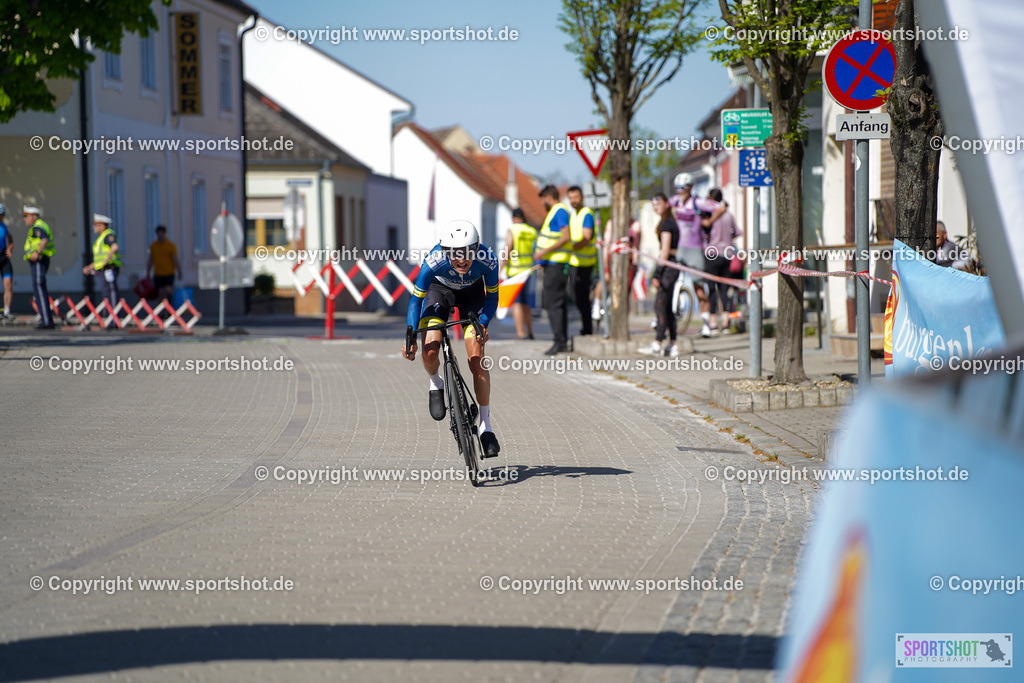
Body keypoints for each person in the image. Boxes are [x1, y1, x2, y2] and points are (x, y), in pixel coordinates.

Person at [402, 219, 501, 457]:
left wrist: (483, 324)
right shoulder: (433, 262)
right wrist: (410, 336)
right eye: (454, 254)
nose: (462, 259)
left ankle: (485, 426)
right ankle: (436, 382)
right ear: (445, 252)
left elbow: (492, 297)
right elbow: (416, 301)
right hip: (440, 291)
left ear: (476, 248)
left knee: (476, 358)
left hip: (473, 296)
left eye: (467, 252)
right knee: (430, 350)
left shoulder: (488, 260)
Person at [669, 173, 726, 337]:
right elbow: (663, 205)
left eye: (683, 188)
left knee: (699, 288)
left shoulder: (698, 202)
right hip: (679, 248)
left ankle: (707, 323)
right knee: (670, 282)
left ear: (690, 187)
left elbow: (720, 207)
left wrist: (708, 221)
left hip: (695, 249)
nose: (680, 191)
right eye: (677, 188)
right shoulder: (675, 201)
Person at [534, 185, 573, 355]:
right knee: (557, 304)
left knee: (553, 304)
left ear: (548, 197)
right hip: (552, 264)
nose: (542, 202)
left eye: (543, 199)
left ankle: (559, 341)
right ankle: (561, 340)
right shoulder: (556, 212)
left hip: (556, 266)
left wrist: (544, 252)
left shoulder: (559, 211)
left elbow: (566, 236)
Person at [642, 193, 681, 357]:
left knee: (660, 305)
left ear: (667, 203)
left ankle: (658, 343)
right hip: (672, 265)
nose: (656, 207)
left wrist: (657, 274)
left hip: (668, 268)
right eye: (653, 205)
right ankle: (672, 344)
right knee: (666, 307)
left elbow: (664, 251)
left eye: (658, 204)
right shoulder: (668, 222)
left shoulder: (667, 224)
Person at [704, 188, 743, 335]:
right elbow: (738, 232)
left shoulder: (709, 216)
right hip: (727, 253)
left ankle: (713, 323)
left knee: (712, 289)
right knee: (724, 290)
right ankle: (726, 323)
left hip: (711, 253)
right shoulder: (728, 215)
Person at [498, 208, 536, 340]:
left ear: (513, 218)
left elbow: (509, 246)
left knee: (517, 303)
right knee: (526, 303)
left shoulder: (512, 230)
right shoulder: (531, 231)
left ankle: (521, 333)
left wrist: (502, 266)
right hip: (528, 270)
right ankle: (530, 332)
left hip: (515, 271)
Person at [566, 185, 597, 336]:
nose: (573, 201)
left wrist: (571, 247)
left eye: (575, 197)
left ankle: (588, 329)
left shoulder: (586, 214)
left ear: (582, 197)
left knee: (582, 297)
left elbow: (587, 237)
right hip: (575, 262)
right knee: (576, 295)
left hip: (585, 263)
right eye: (570, 198)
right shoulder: (574, 214)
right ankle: (587, 327)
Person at [22, 205, 55, 329]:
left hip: (39, 261)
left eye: (26, 216)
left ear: (33, 216)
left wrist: (37, 253)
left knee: (39, 289)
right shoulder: (39, 225)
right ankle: (45, 320)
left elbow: (44, 239)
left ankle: (47, 321)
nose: (24, 219)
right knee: (39, 289)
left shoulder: (38, 226)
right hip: (40, 261)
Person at [83, 214, 120, 308]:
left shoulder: (108, 235)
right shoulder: (101, 238)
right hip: (103, 269)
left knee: (111, 292)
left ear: (103, 226)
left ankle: (113, 318)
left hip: (109, 268)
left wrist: (106, 261)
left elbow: (114, 247)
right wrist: (89, 267)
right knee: (106, 294)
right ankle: (110, 317)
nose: (94, 227)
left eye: (96, 224)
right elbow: (99, 259)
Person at [147, 225, 182, 299]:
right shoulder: (154, 246)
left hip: (169, 273)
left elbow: (175, 259)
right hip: (158, 273)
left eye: (161, 233)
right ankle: (162, 309)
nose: (160, 235)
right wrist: (148, 273)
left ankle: (170, 305)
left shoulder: (170, 246)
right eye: (158, 233)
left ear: (164, 234)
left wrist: (179, 271)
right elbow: (150, 260)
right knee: (160, 293)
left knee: (168, 290)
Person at [0, 204, 14, 319]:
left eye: (2, 215)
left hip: (3, 258)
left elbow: (10, 239)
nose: (1, 217)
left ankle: (7, 310)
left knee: (8, 284)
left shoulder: (4, 226)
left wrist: (10, 248)